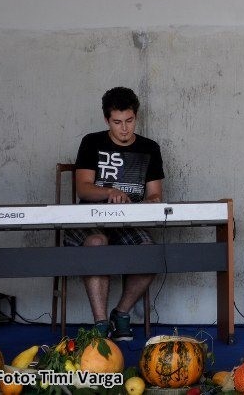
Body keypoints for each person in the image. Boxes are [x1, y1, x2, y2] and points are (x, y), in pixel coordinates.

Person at [64, 87, 164, 341]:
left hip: (128, 222)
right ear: (106, 119)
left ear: (136, 117)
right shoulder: (92, 142)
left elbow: (155, 194)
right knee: (97, 243)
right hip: (91, 218)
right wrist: (110, 191)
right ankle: (100, 324)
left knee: (150, 253)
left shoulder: (150, 148)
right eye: (117, 122)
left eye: (129, 121)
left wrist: (149, 203)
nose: (124, 129)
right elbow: (83, 188)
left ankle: (120, 313)